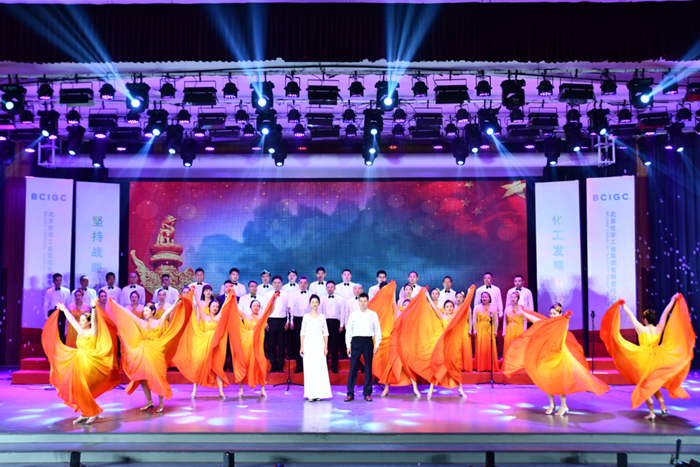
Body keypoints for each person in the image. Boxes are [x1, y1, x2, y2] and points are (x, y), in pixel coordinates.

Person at [504, 304, 609, 416]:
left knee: (559, 381)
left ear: (560, 313)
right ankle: (551, 404)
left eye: (554, 313)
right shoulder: (547, 323)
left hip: (559, 355)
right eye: (551, 313)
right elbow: (535, 319)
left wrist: (566, 317)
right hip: (547, 355)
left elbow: (564, 325)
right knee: (547, 379)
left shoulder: (562, 323)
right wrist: (523, 312)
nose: (552, 315)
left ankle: (564, 406)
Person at [600, 294, 695, 420]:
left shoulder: (641, 328)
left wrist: (623, 306)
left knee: (646, 386)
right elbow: (665, 312)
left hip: (643, 360)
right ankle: (663, 407)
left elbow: (631, 316)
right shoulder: (659, 328)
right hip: (657, 359)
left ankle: (652, 413)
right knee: (653, 385)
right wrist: (673, 300)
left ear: (645, 319)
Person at [41, 301, 120, 425]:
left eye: (83, 320)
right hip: (78, 361)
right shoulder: (80, 331)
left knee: (83, 388)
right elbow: (72, 320)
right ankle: (85, 412)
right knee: (77, 388)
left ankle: (93, 412)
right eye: (81, 320)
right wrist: (64, 309)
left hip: (90, 362)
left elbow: (94, 320)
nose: (81, 322)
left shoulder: (93, 331)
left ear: (89, 322)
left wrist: (93, 308)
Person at [109, 297, 185, 413]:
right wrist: (116, 304)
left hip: (156, 353)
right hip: (143, 353)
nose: (144, 313)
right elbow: (128, 313)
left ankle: (161, 403)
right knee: (143, 378)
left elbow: (167, 312)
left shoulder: (159, 322)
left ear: (153, 311)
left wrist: (175, 304)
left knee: (158, 377)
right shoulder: (141, 323)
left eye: (146, 310)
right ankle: (149, 401)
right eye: (143, 311)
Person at [173, 295, 231, 399]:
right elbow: (199, 306)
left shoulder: (218, 317)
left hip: (216, 345)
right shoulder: (205, 317)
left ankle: (221, 392)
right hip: (205, 344)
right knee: (199, 365)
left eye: (217, 306)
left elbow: (224, 307)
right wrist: (195, 295)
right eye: (213, 306)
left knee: (217, 367)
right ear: (209, 307)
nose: (215, 308)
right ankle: (194, 390)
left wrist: (229, 296)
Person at [373, 282, 421, 398]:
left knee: (408, 365)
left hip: (407, 344)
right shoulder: (398, 314)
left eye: (408, 305)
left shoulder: (413, 317)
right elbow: (393, 302)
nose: (406, 306)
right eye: (404, 305)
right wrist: (392, 290)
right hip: (395, 342)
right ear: (402, 306)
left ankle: (415, 388)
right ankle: (386, 388)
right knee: (391, 365)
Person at [429, 286, 477, 398]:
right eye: (447, 307)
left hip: (455, 346)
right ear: (444, 308)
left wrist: (469, 294)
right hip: (444, 345)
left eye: (451, 306)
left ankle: (460, 389)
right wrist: (427, 296)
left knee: (456, 367)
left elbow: (465, 307)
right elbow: (433, 307)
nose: (449, 308)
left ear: (453, 307)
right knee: (439, 366)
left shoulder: (456, 316)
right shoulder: (442, 317)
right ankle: (431, 390)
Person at [231, 296, 278, 398]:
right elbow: (236, 308)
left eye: (258, 306)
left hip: (258, 345)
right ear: (250, 307)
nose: (256, 307)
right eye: (254, 306)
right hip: (246, 345)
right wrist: (232, 296)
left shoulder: (262, 317)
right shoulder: (246, 316)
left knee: (260, 365)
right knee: (244, 364)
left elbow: (271, 310)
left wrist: (274, 299)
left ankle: (263, 390)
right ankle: (241, 390)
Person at [345, 293, 381, 402]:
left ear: (368, 302)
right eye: (361, 301)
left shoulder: (373, 314)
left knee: (368, 368)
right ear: (358, 302)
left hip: (368, 342)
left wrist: (377, 344)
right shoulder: (353, 315)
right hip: (355, 342)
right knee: (353, 368)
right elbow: (349, 331)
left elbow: (377, 330)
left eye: (365, 301)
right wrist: (348, 345)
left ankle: (367, 393)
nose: (363, 303)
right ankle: (350, 393)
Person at [300, 294, 332, 401]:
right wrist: (301, 347)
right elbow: (302, 332)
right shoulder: (306, 317)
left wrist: (326, 347)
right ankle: (311, 394)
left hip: (319, 343)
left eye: (316, 302)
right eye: (312, 302)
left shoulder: (322, 317)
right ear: (310, 304)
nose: (314, 304)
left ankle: (319, 393)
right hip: (308, 343)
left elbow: (325, 333)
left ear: (319, 304)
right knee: (309, 368)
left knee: (319, 367)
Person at [264, 276, 290, 373]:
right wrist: (265, 322)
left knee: (281, 344)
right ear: (272, 284)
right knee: (271, 344)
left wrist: (288, 321)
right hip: (271, 321)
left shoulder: (286, 295)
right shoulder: (267, 295)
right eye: (275, 282)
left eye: (279, 282)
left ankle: (280, 366)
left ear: (281, 284)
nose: (277, 284)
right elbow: (265, 309)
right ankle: (273, 365)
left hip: (282, 321)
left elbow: (289, 309)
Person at [320, 281, 346, 373]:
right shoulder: (322, 299)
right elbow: (320, 313)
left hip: (335, 323)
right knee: (325, 345)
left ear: (335, 288)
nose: (330, 289)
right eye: (328, 287)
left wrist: (341, 325)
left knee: (335, 345)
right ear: (326, 288)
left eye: (332, 287)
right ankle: (325, 366)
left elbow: (342, 313)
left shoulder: (340, 299)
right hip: (325, 323)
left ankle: (334, 366)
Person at [473, 291, 500, 372]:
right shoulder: (477, 308)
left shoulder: (494, 308)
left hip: (490, 329)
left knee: (489, 347)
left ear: (489, 298)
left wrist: (495, 331)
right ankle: (480, 367)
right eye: (483, 297)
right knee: (480, 347)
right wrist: (474, 330)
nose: (484, 298)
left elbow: (496, 320)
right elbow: (474, 320)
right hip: (480, 329)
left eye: (486, 297)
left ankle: (490, 367)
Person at [289, 276, 311, 373]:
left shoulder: (311, 294)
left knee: (308, 342)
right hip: (297, 320)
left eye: (305, 283)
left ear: (307, 284)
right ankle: (299, 365)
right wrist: (291, 322)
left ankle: (308, 365)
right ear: (298, 284)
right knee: (297, 342)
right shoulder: (293, 295)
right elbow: (291, 309)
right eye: (301, 283)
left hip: (308, 320)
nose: (303, 284)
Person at [503, 291, 527, 355]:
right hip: (509, 330)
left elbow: (525, 321)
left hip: (519, 330)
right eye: (512, 297)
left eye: (515, 297)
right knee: (509, 347)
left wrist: (524, 332)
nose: (513, 299)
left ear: (518, 299)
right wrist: (504, 332)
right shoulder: (507, 309)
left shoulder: (521, 308)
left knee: (518, 347)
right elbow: (505, 321)